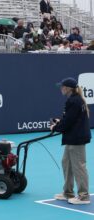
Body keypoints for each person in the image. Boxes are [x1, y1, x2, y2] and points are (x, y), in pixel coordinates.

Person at [51, 77, 91, 205]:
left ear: (68, 88)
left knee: (79, 166)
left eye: (62, 87)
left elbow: (68, 121)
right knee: (66, 163)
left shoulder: (74, 101)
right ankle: (68, 192)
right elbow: (69, 119)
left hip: (76, 139)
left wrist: (56, 127)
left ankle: (83, 196)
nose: (61, 89)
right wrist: (59, 123)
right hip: (72, 138)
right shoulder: (74, 100)